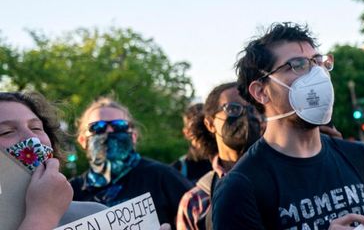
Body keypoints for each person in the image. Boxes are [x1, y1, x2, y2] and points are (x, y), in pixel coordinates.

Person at [210, 22, 364, 230]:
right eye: (298, 65)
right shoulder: (240, 187)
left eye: (318, 62)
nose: (318, 75)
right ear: (261, 91)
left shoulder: (363, 158)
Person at [70, 97, 192, 226]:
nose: (109, 132)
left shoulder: (162, 176)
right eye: (97, 127)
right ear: (83, 140)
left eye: (119, 125)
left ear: (133, 136)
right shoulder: (71, 192)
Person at [1, 91, 107, 228]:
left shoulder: (95, 216)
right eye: (6, 132)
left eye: (36, 128)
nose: (32, 138)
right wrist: (43, 214)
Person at [176, 82, 264, 230]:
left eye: (253, 109)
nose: (246, 115)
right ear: (210, 123)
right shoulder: (196, 201)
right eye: (233, 109)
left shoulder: (285, 174)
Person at [172, 103, 214, 183]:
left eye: (204, 125)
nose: (202, 131)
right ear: (186, 132)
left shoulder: (228, 163)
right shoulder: (177, 170)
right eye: (196, 127)